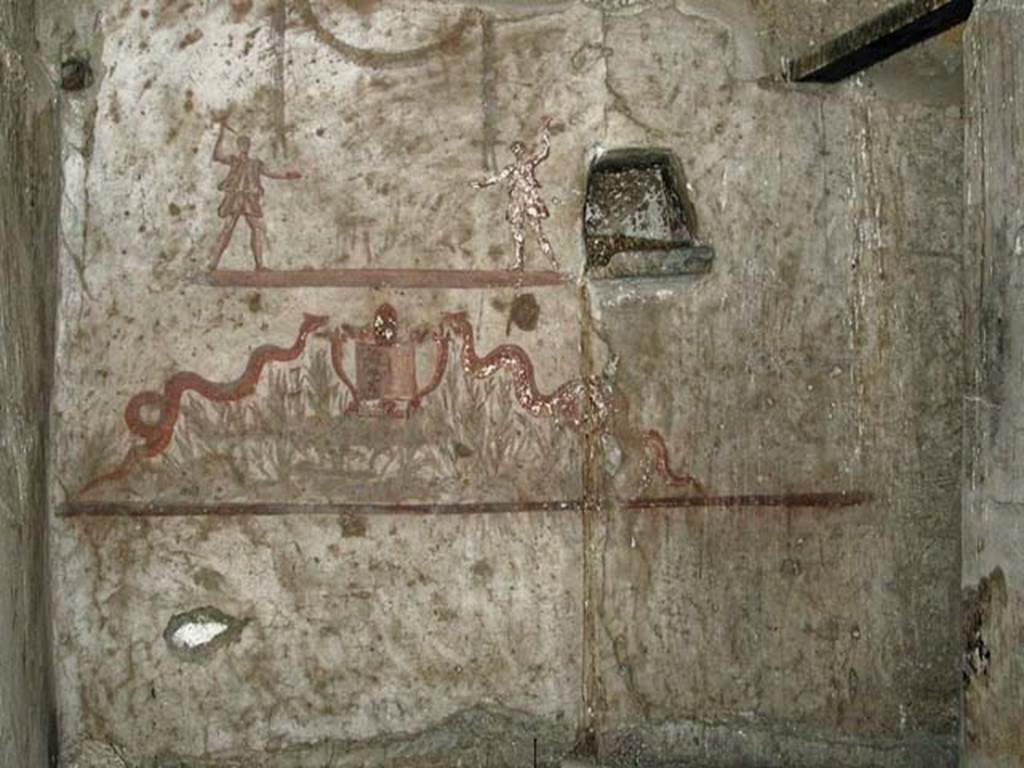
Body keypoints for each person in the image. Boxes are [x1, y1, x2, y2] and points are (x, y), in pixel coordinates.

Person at [209, 119, 301, 270]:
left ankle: (259, 264)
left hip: (249, 199)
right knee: (227, 229)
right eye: (242, 144)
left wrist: (287, 175)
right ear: (238, 146)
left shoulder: (255, 163)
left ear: (249, 146)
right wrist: (221, 134)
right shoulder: (233, 160)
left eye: (246, 144)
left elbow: (270, 173)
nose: (244, 147)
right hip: (235, 198)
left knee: (256, 229)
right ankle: (213, 263)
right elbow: (217, 156)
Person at [473, 117, 559, 272]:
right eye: (515, 150)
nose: (517, 152)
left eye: (519, 149)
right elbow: (498, 178)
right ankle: (519, 263)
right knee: (517, 232)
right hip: (516, 202)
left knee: (538, 232)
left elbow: (543, 153)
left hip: (529, 199)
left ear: (523, 151)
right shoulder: (511, 168)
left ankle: (553, 262)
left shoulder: (529, 164)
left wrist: (546, 136)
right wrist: (482, 184)